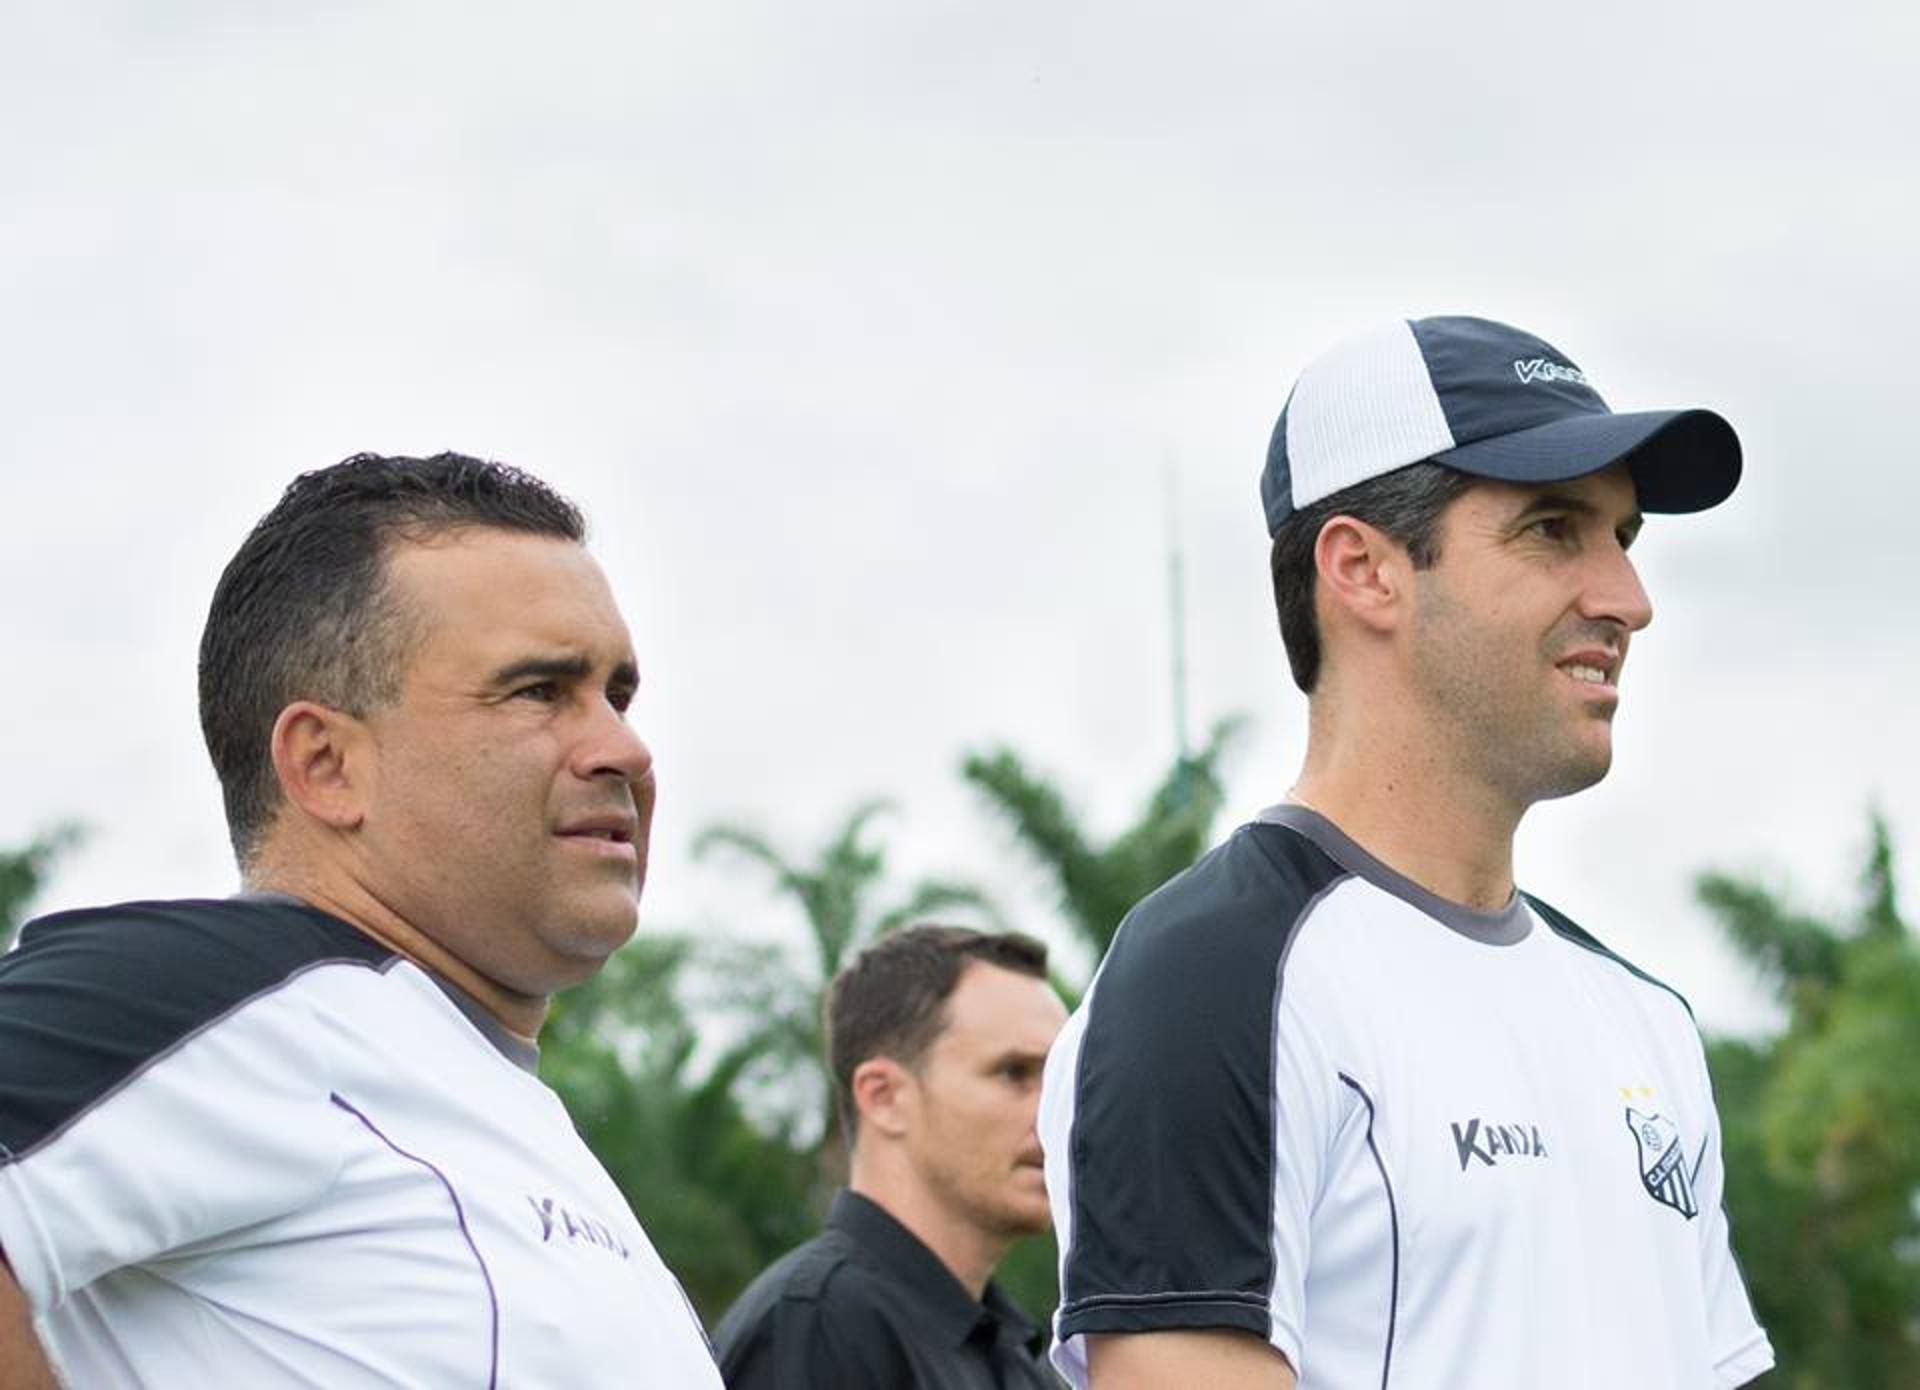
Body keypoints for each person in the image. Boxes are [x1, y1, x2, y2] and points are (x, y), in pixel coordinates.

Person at [1038, 317, 1776, 1390]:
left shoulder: (1645, 1019)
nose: (1628, 599)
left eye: (1625, 537)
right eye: (1553, 529)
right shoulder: (1210, 983)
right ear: (1364, 570)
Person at [0, 453, 722, 1387]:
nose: (624, 747)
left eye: (617, 694)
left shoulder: (503, 1105)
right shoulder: (234, 998)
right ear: (328, 765)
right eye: (540, 690)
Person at [713, 924, 1067, 1389]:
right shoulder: (819, 1326)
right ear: (883, 1097)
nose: (1054, 1114)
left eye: (1060, 1079)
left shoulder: (1010, 1351)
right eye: (1014, 1073)